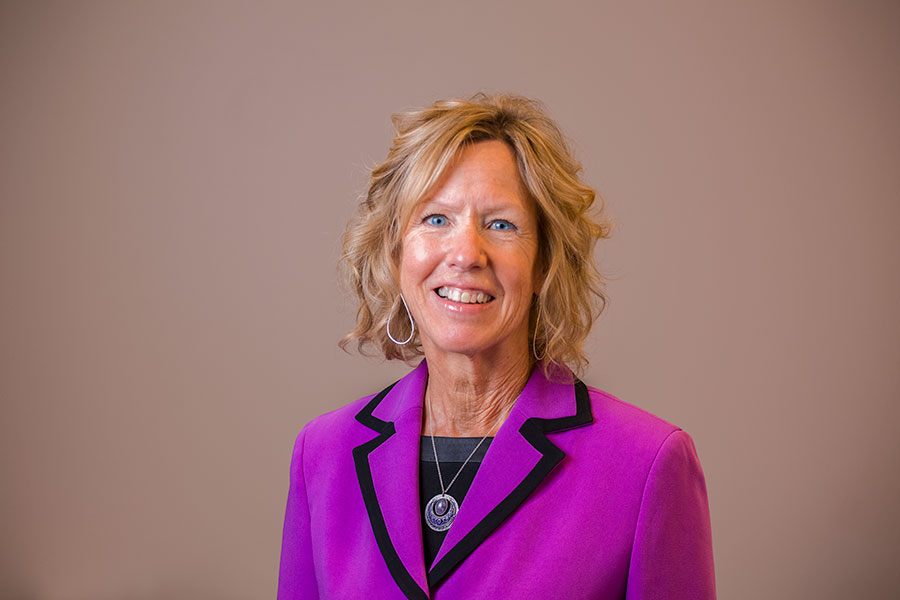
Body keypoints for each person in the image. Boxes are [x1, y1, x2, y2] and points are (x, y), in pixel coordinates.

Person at [277, 93, 715, 599]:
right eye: (435, 219)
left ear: (544, 264)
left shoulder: (646, 466)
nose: (465, 253)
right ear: (395, 250)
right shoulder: (324, 455)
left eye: (500, 224)